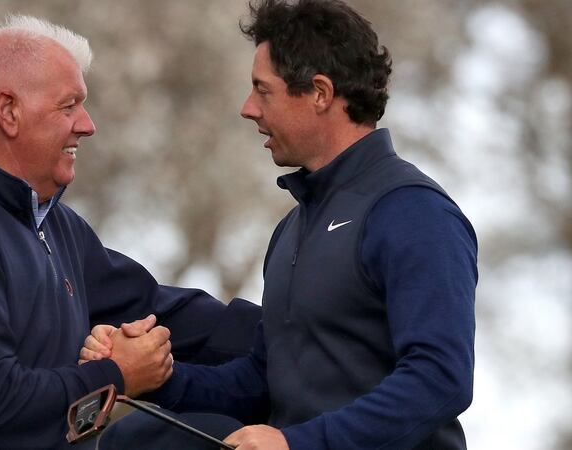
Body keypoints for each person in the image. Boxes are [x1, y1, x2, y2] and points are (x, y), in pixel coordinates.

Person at [83, 0, 478, 448]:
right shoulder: (293, 226)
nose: (248, 108)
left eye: (262, 90)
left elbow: (440, 379)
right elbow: (259, 380)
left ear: (320, 93)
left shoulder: (413, 211)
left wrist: (300, 444)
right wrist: (152, 377)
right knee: (137, 438)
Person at [0, 15, 260, 449]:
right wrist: (117, 374)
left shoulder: (54, 226)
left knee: (217, 437)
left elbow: (158, 311)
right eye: (68, 106)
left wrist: (290, 333)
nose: (87, 124)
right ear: (9, 112)